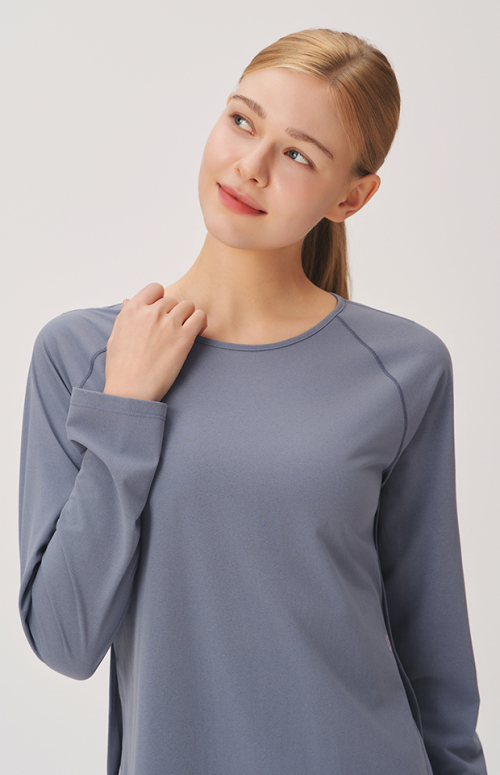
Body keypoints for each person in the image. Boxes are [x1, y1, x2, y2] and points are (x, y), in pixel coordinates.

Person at [18, 28, 488, 775]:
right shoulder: (82, 355)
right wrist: (126, 407)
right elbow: (64, 641)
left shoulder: (404, 369)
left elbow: (434, 650)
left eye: (298, 154)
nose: (251, 166)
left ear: (351, 197)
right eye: (242, 120)